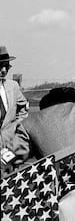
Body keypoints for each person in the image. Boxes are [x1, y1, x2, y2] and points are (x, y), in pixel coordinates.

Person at [0, 46, 29, 176]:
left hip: (10, 144)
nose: (4, 70)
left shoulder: (13, 86)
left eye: (7, 66)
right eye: (0, 66)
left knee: (10, 176)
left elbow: (23, 108)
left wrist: (17, 125)